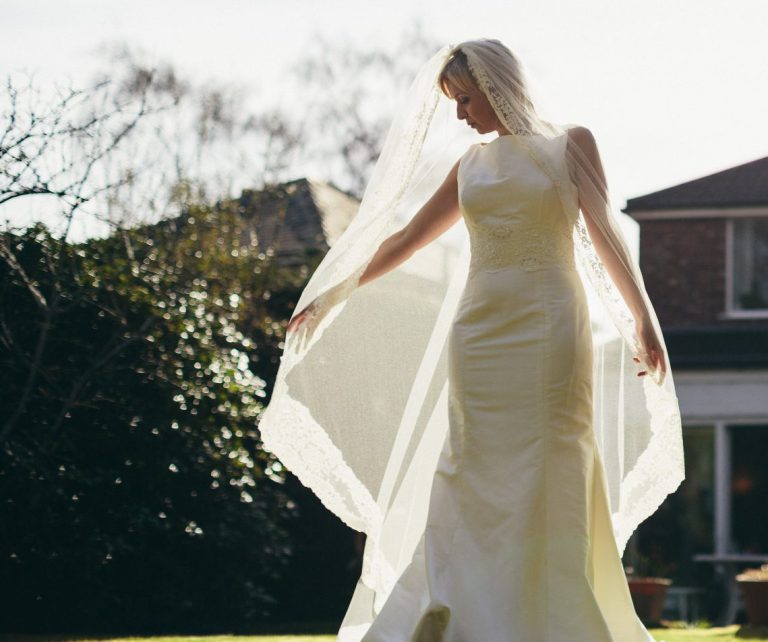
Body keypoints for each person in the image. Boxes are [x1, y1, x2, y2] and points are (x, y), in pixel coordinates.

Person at [260, 38, 684, 641]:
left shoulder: (572, 145)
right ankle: (456, 608)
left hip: (551, 329)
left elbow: (607, 237)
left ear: (496, 85)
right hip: (479, 334)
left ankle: (547, 612)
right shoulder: (471, 165)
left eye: (465, 99)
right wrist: (333, 293)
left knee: (550, 455)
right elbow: (406, 239)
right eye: (453, 101)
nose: (460, 114)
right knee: (467, 463)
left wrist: (639, 320)